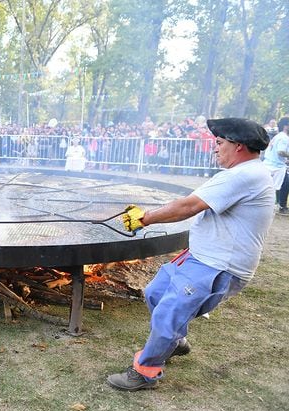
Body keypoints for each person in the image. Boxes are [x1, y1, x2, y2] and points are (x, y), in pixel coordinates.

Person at [107, 117, 275, 391]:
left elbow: (189, 206)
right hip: (201, 256)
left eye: (220, 143)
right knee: (155, 293)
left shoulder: (244, 175)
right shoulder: (243, 173)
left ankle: (145, 372)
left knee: (168, 313)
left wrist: (144, 219)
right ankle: (175, 342)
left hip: (219, 265)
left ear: (239, 146)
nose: (215, 148)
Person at [262, 117, 289, 214]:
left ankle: (277, 206)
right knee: (275, 188)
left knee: (267, 187)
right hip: (276, 167)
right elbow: (281, 152)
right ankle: (275, 207)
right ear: (286, 126)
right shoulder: (284, 138)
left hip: (268, 164)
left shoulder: (278, 136)